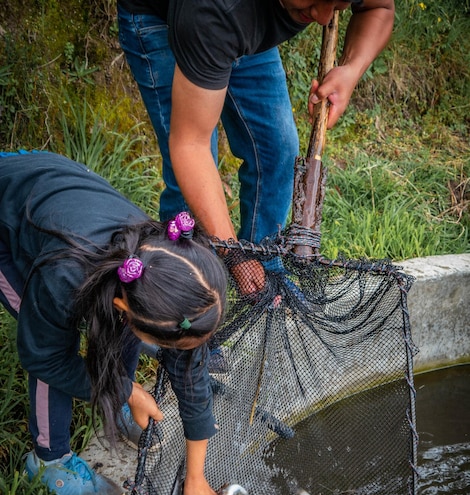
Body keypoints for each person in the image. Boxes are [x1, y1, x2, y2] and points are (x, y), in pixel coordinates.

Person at [0, 150, 229, 495]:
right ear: (122, 304)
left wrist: (196, 477)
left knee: (126, 326)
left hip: (54, 187)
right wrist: (127, 390)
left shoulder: (154, 270)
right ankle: (47, 460)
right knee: (50, 341)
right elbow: (44, 358)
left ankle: (112, 395)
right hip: (10, 224)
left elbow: (191, 373)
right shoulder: (62, 280)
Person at [117, 0, 395, 295]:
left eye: (338, 5)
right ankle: (183, 298)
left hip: (239, 23)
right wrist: (234, 254)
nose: (323, 17)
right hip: (166, 20)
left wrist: (350, 70)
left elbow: (378, 8)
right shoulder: (213, 11)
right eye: (315, 0)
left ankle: (265, 277)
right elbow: (190, 146)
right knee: (190, 192)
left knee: (277, 151)